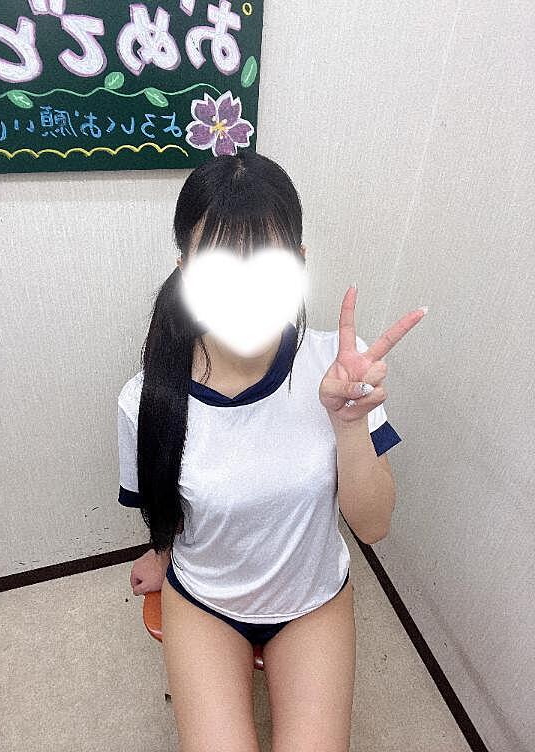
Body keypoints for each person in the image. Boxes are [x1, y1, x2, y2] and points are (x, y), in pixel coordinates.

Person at [117, 150, 407, 751]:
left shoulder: (340, 369)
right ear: (185, 271)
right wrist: (162, 553)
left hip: (312, 602)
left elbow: (374, 526)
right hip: (205, 602)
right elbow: (163, 500)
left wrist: (349, 425)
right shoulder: (145, 398)